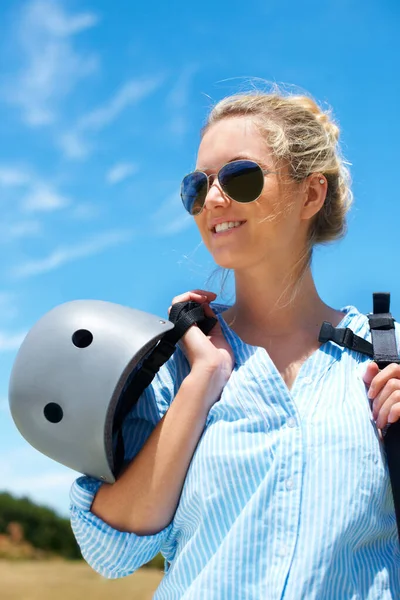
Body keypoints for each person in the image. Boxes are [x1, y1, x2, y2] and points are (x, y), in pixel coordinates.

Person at [69, 88, 400, 598]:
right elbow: (113, 553)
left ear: (311, 195)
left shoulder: (386, 357)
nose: (213, 200)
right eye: (196, 187)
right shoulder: (171, 362)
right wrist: (203, 381)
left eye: (239, 177)